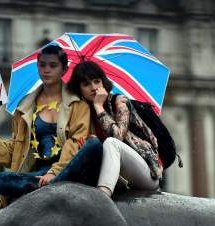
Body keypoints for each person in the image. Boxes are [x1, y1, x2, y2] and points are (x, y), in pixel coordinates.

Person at [0, 45, 102, 206]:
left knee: (94, 145)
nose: (46, 70)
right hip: (37, 175)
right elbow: (16, 150)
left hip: (68, 170)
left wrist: (54, 172)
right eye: (42, 65)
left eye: (53, 65)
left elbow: (76, 143)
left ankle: (52, 183)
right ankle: (42, 186)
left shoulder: (78, 104)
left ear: (64, 70)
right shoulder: (24, 107)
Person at [67, 61, 163, 196]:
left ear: (103, 82)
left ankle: (102, 195)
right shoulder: (83, 114)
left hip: (145, 172)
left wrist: (99, 106)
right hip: (119, 178)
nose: (93, 87)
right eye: (86, 84)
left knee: (111, 143)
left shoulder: (120, 102)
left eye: (96, 81)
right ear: (79, 90)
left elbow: (117, 137)